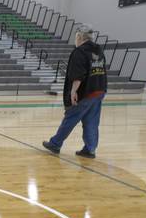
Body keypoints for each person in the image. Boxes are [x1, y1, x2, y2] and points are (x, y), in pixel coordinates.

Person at [42, 25, 108, 159]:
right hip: (99, 89)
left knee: (71, 118)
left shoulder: (79, 52)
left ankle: (55, 143)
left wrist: (73, 91)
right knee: (91, 121)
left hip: (86, 92)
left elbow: (78, 75)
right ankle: (90, 149)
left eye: (76, 36)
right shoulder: (98, 51)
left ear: (79, 37)